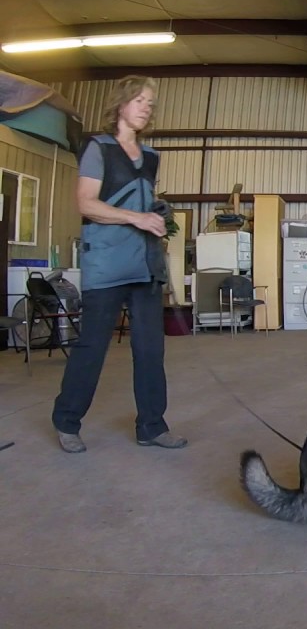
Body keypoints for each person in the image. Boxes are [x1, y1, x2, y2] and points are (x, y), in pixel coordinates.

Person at [51, 75, 187, 452]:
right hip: (108, 265)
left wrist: (156, 213)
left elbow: (138, 203)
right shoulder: (98, 147)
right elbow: (87, 204)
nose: (147, 107)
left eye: (150, 102)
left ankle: (152, 427)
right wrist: (136, 218)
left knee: (149, 350)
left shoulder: (151, 156)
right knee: (93, 347)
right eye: (141, 100)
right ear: (122, 104)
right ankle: (67, 421)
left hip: (144, 265)